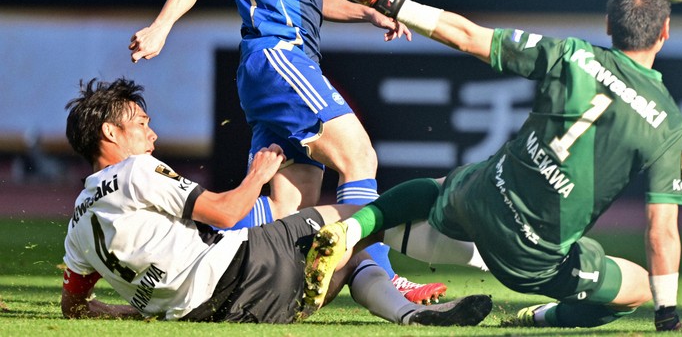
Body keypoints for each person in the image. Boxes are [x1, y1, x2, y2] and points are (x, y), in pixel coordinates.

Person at [127, 0, 445, 303]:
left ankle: (170, 229)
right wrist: (160, 28)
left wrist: (369, 13)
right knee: (359, 157)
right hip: (277, 59)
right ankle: (381, 274)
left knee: (290, 210)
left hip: (291, 66)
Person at [306, 0, 682, 332]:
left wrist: (389, 0)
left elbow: (466, 36)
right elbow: (660, 230)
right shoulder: (669, 125)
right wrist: (668, 316)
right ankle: (539, 317)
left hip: (484, 195)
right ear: (664, 33)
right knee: (634, 289)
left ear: (609, 25)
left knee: (445, 187)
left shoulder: (571, 55)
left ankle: (354, 229)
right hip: (532, 256)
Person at [60, 78, 492, 326]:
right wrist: (259, 174)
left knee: (342, 248)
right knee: (364, 218)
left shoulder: (77, 227)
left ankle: (407, 316)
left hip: (232, 316)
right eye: (141, 123)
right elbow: (226, 212)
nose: (151, 135)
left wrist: (135, 309)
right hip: (251, 270)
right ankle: (485, 253)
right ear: (111, 134)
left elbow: (73, 307)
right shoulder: (135, 171)